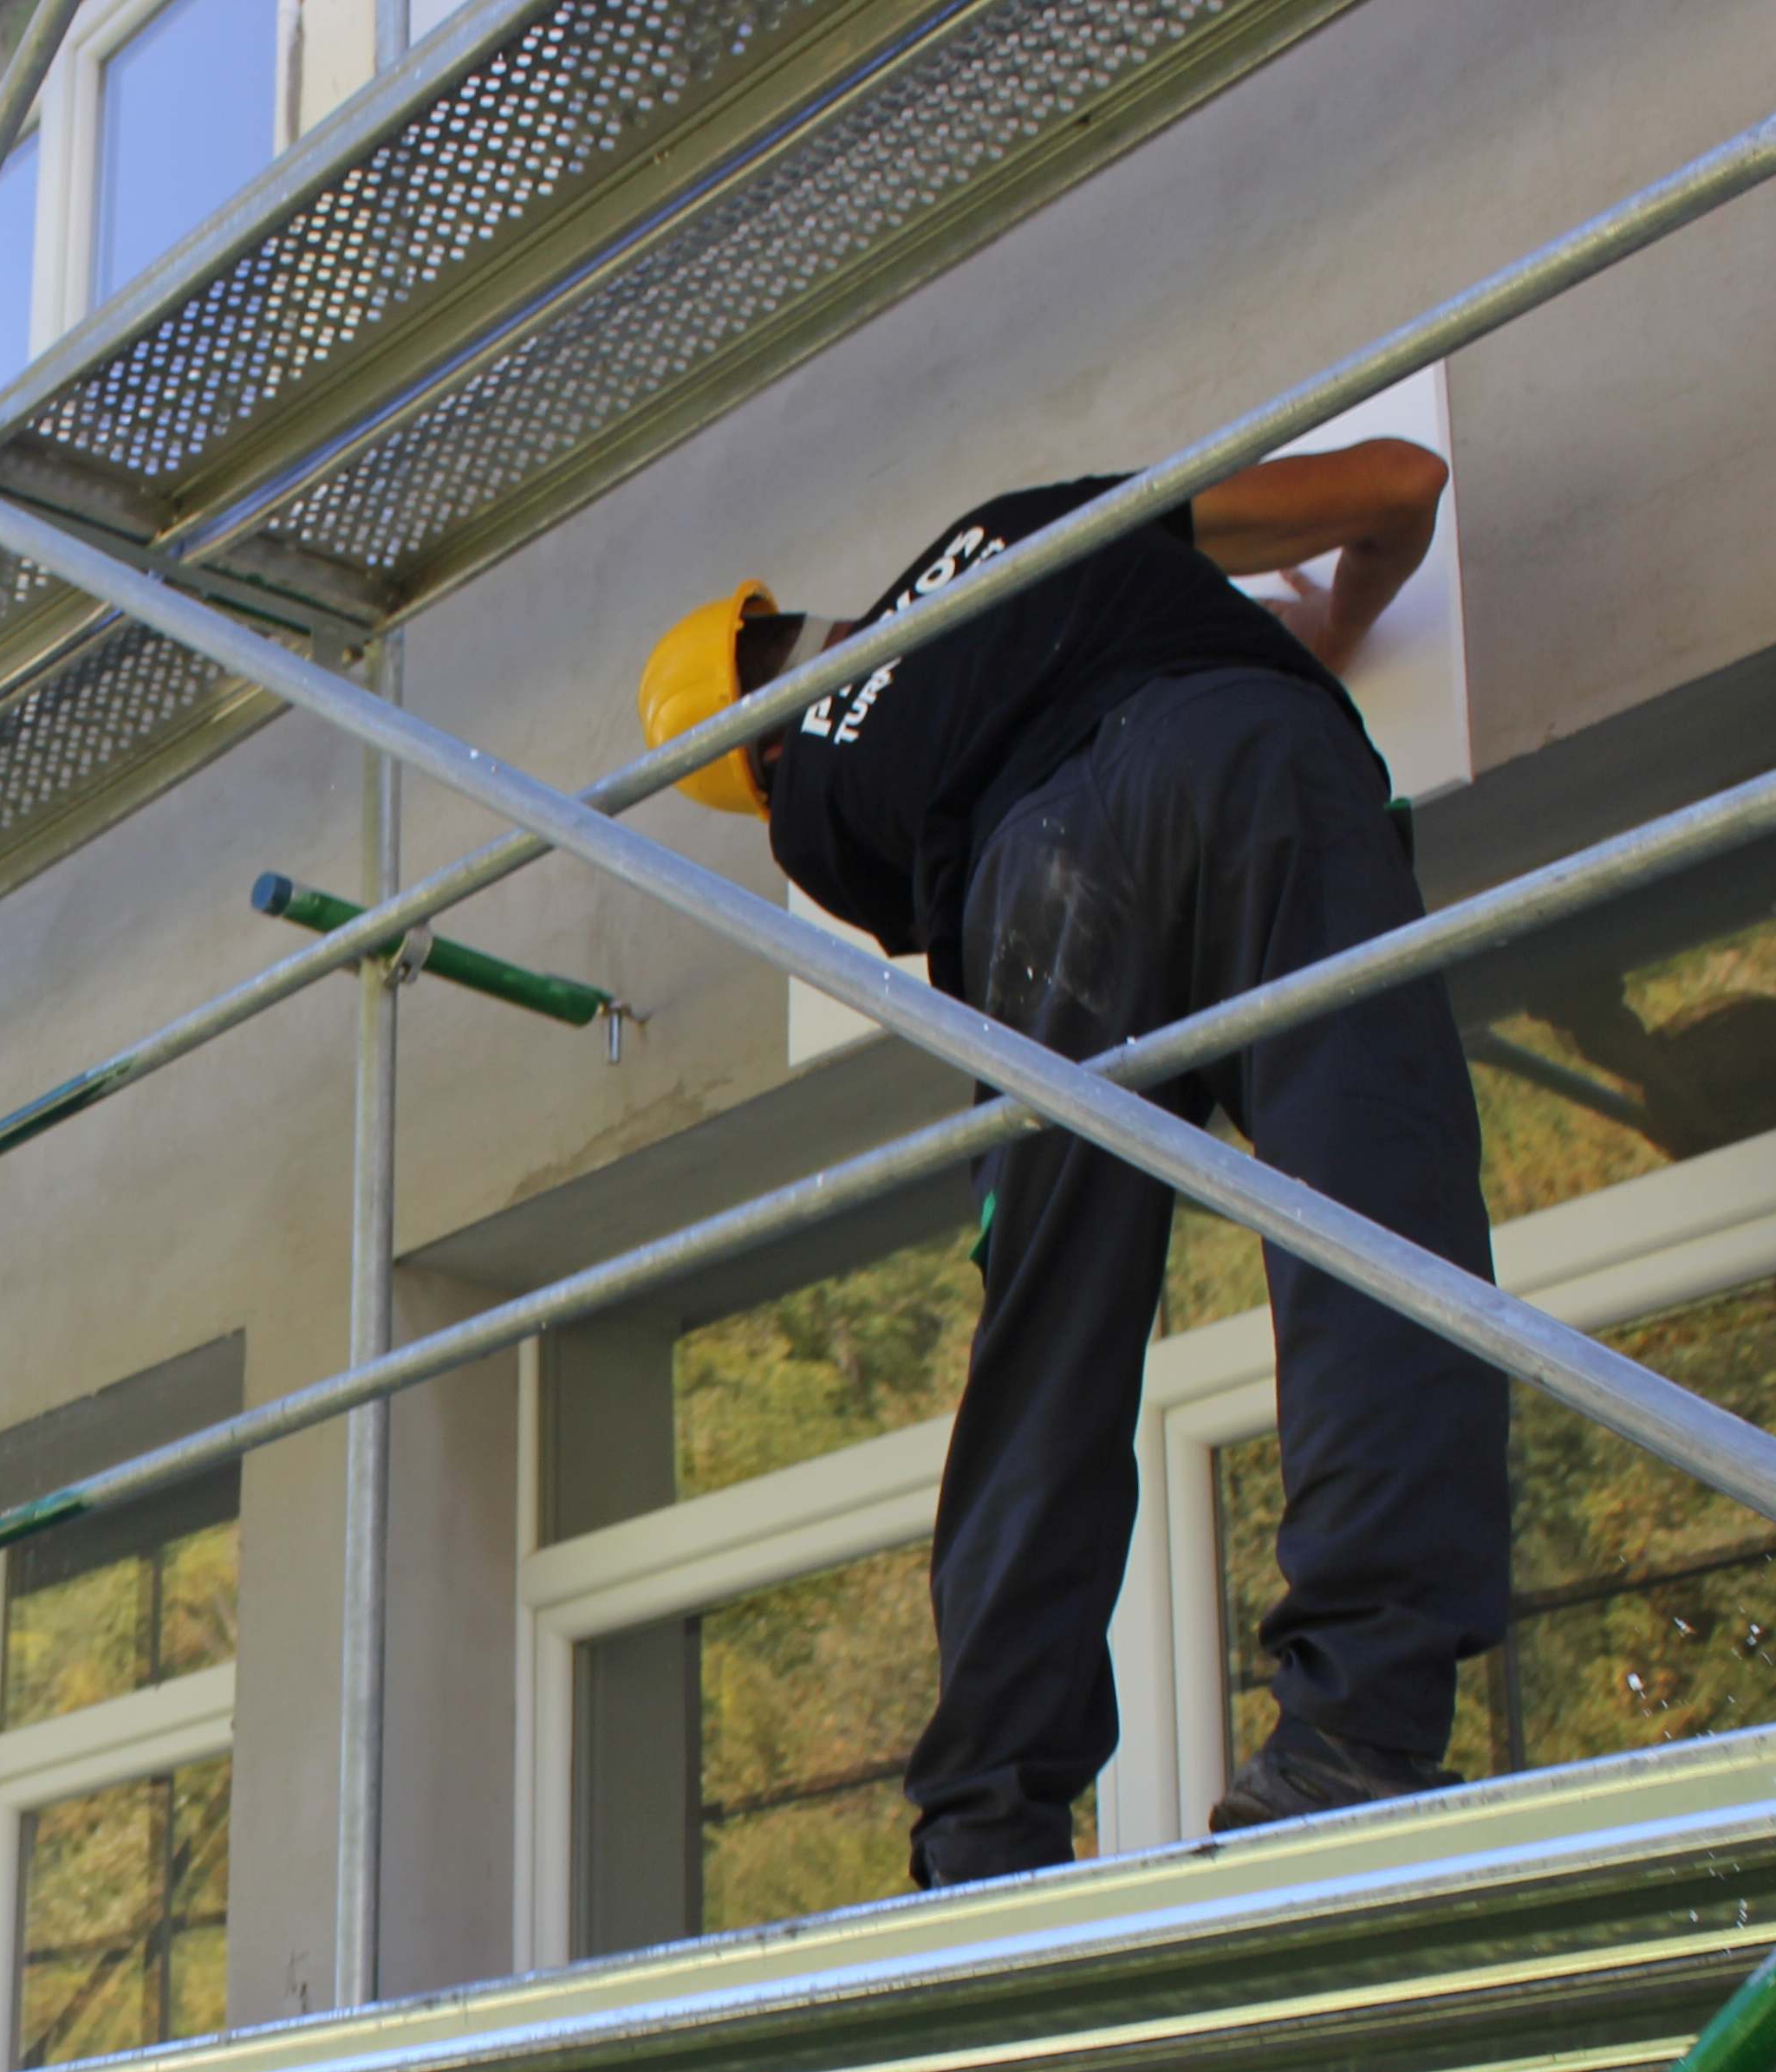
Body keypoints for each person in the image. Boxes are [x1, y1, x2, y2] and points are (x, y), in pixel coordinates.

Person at [636, 443, 1509, 1889]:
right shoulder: (1004, 530)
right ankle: (1356, 1725)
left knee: (1045, 1336)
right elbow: (1404, 484)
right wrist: (1322, 633)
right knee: (1366, 1194)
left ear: (756, 763)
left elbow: (960, 884)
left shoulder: (819, 810)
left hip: (1032, 889)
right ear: (797, 630)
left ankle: (982, 1821)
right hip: (1237, 755)